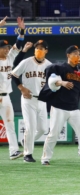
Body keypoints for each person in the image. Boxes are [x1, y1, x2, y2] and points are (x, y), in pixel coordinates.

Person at [39, 45, 80, 165]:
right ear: (68, 55)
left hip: (74, 108)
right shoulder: (60, 67)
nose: (77, 56)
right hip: (59, 107)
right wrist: (61, 82)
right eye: (74, 53)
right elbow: (51, 80)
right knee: (54, 133)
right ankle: (45, 158)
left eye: (78, 54)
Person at [11, 40, 51, 163]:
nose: (39, 49)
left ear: (46, 51)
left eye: (41, 48)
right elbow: (14, 74)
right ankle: (27, 154)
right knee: (31, 127)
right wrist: (21, 88)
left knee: (44, 129)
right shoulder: (27, 62)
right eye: (37, 47)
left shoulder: (49, 65)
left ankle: (25, 141)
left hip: (42, 100)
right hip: (28, 99)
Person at [0, 16, 25, 160]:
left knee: (9, 124)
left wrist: (21, 30)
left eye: (7, 48)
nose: (6, 50)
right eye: (3, 48)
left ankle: (14, 151)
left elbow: (19, 44)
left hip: (6, 97)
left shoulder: (9, 57)